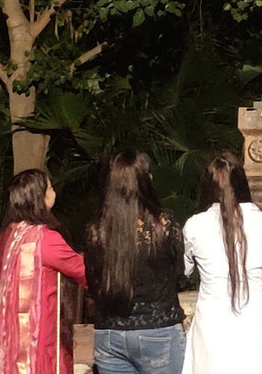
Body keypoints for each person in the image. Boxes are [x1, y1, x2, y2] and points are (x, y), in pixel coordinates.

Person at [0, 169, 87, 374]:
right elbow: (84, 271)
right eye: (50, 188)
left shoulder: (7, 236)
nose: (54, 192)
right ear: (39, 197)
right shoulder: (44, 238)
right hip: (37, 335)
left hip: (6, 334)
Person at [182, 153, 262, 374]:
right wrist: (260, 313)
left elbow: (184, 270)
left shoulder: (195, 226)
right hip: (256, 319)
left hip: (211, 322)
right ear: (242, 183)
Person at [85, 151, 186, 374]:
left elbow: (93, 281)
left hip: (109, 332)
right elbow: (179, 273)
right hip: (157, 328)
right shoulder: (163, 224)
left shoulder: (96, 229)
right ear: (145, 181)